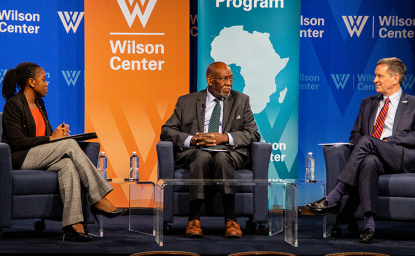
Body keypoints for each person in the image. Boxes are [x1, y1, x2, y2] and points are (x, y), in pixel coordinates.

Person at [1, 62, 127, 242]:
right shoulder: (14, 104)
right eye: (44, 79)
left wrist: (55, 134)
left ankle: (74, 222)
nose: (47, 83)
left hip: (40, 154)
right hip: (20, 158)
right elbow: (17, 141)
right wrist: (51, 139)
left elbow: (46, 135)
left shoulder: (40, 103)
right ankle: (98, 197)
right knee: (69, 145)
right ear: (31, 82)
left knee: (67, 164)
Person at [306, 57, 414, 243]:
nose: (375, 80)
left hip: (399, 155)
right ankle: (369, 226)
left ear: (395, 78)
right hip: (373, 157)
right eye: (375, 76)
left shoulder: (412, 103)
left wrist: (389, 140)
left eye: (380, 76)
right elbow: (355, 134)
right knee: (368, 160)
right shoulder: (368, 103)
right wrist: (367, 147)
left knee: (367, 141)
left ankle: (335, 195)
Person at [160, 62, 260, 238]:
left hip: (230, 152)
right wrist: (192, 140)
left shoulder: (241, 100)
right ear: (210, 80)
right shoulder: (186, 101)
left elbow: (253, 134)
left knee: (222, 159)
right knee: (202, 157)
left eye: (231, 79)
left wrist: (226, 137)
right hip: (196, 151)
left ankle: (231, 220)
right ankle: (193, 219)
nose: (229, 83)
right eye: (224, 79)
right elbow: (167, 131)